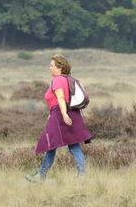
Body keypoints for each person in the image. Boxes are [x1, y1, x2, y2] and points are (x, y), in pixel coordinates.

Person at [26, 54, 91, 182]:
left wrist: (63, 114)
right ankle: (82, 176)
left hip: (61, 115)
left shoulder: (57, 80)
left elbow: (61, 98)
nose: (49, 68)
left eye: (52, 66)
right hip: (72, 113)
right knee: (74, 145)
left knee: (50, 145)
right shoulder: (68, 79)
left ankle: (41, 176)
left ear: (60, 67)